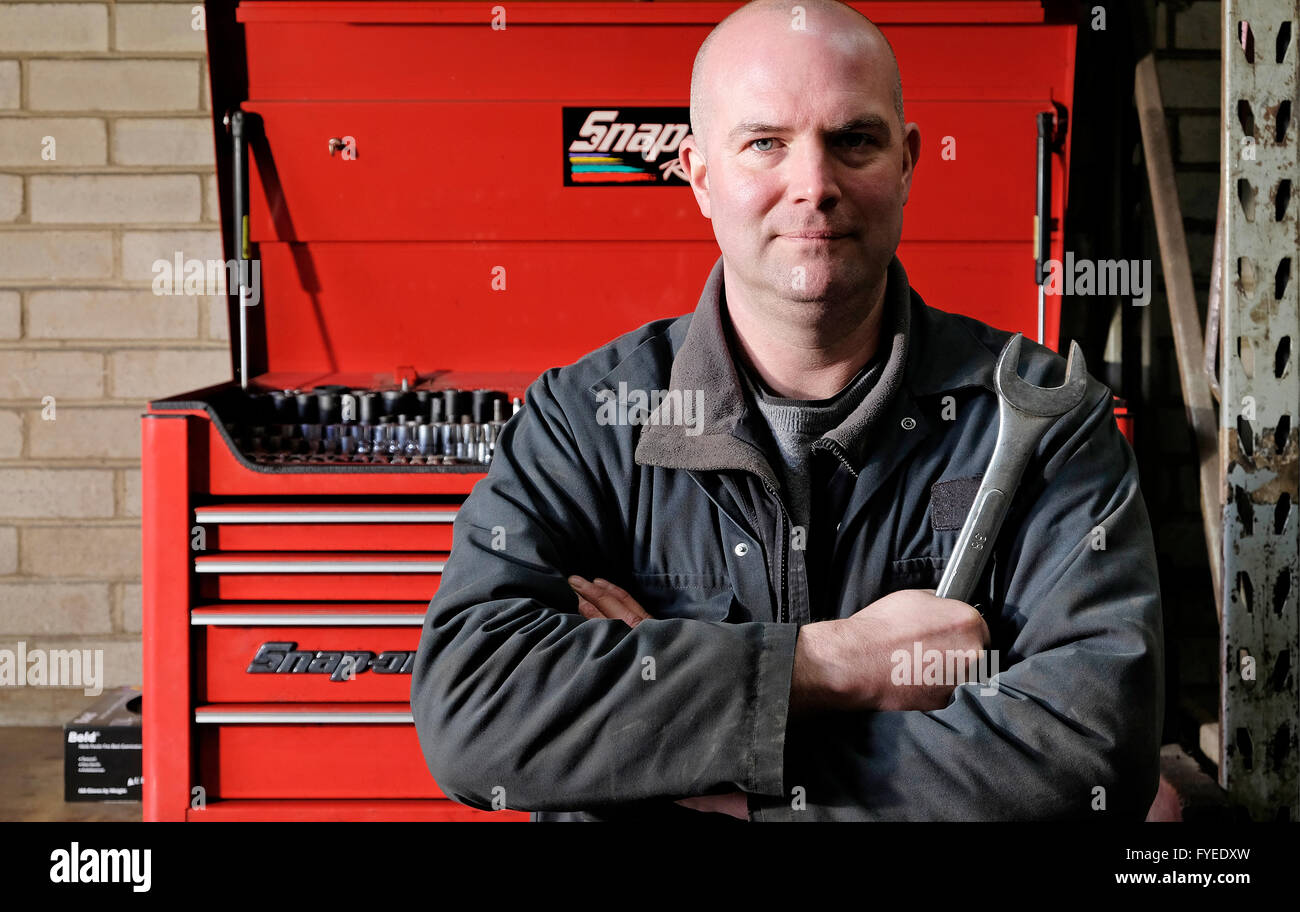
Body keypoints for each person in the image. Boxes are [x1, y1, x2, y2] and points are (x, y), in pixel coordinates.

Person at [411, 0, 1163, 820]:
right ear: (699, 174)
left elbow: (1091, 747)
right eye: (766, 143)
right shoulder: (584, 420)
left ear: (907, 162)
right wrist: (835, 664)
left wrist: (708, 776)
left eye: (854, 141)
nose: (814, 186)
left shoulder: (1043, 424)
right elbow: (474, 712)